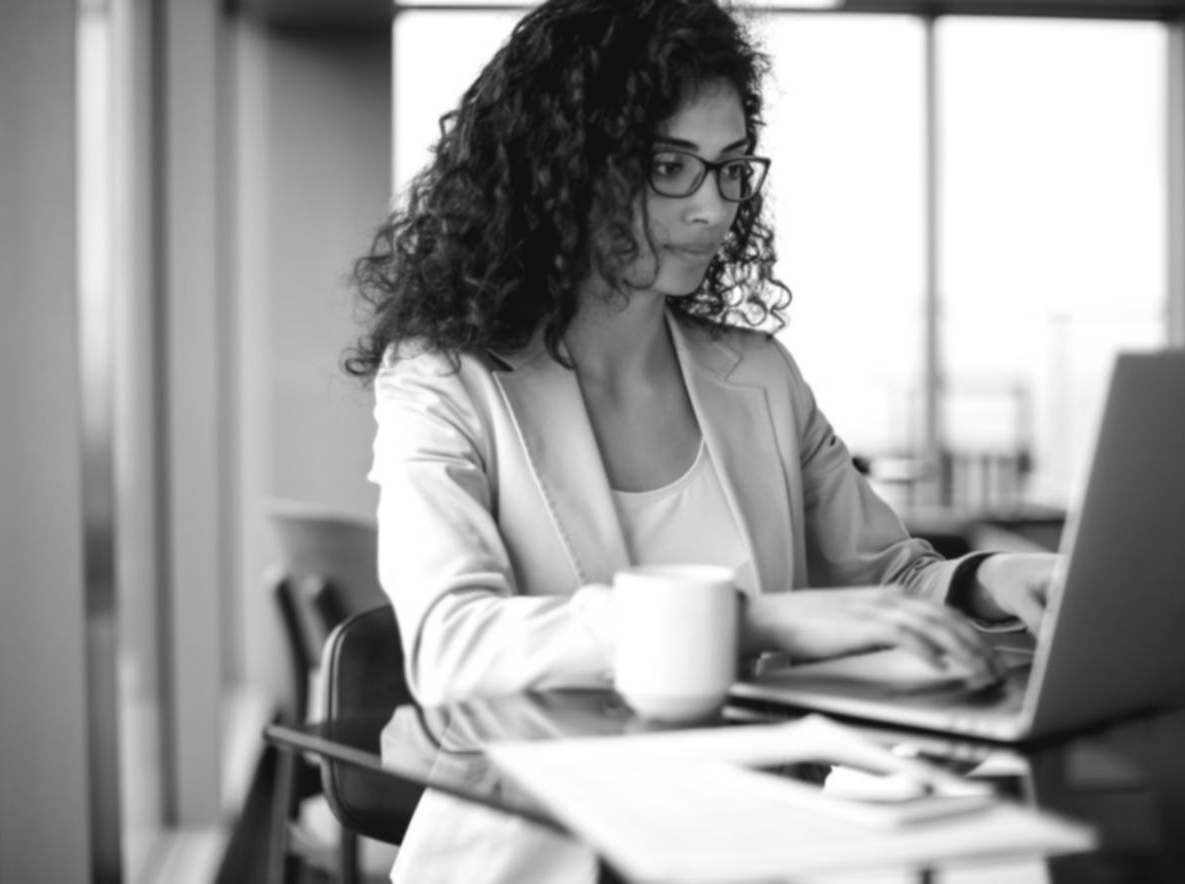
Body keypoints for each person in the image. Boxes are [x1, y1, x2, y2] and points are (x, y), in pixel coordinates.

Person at [346, 0, 1056, 713]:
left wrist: (989, 579)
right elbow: (451, 644)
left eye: (730, 168)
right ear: (562, 168)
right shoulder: (444, 380)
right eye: (668, 165)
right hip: (545, 783)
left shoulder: (762, 376)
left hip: (767, 780)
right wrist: (747, 622)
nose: (713, 208)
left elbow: (885, 584)